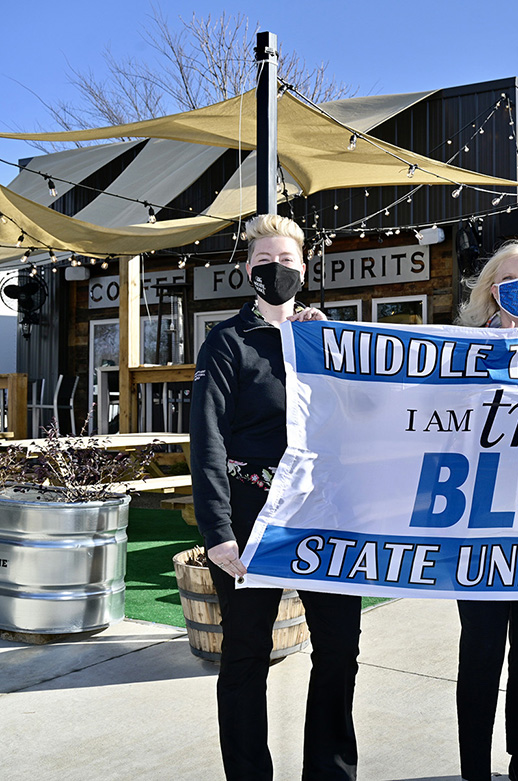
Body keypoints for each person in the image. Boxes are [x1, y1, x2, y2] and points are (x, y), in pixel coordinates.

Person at [190, 214, 363, 781]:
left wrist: (329, 340)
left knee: (339, 648)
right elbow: (207, 441)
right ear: (248, 271)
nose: (275, 270)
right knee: (244, 656)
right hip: (250, 515)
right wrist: (218, 534)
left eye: (286, 261)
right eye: (264, 262)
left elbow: (364, 415)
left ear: (304, 269)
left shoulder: (327, 341)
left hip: (325, 513)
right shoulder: (226, 343)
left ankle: (331, 771)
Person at [453, 239, 518, 781]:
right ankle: (475, 765)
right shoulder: (461, 352)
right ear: (493, 289)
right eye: (511, 278)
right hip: (478, 525)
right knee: (480, 651)